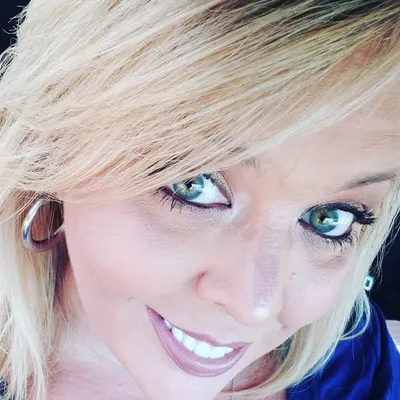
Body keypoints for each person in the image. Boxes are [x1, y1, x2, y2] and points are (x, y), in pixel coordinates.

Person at [0, 1, 399, 399]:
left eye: (329, 218)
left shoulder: (359, 364)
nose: (253, 307)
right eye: (193, 184)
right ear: (55, 147)